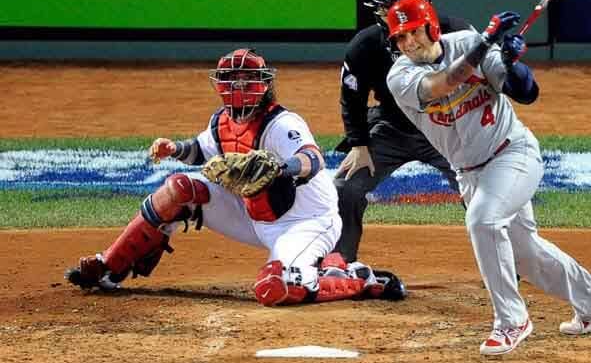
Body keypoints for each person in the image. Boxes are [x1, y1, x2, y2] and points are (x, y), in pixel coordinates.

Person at [65, 48, 406, 306]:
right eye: (232, 79)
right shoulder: (221, 122)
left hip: (306, 221)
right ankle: (109, 266)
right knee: (179, 188)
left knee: (276, 288)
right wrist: (174, 149)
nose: (239, 86)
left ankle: (355, 277)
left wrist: (280, 168)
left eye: (247, 79)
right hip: (251, 214)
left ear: (264, 85)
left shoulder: (282, 123)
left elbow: (312, 160)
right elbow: (200, 150)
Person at [384, 0, 591, 356]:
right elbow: (441, 84)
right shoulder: (400, 76)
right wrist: (485, 44)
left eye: (414, 32)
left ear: (431, 27)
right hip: (469, 173)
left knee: (483, 221)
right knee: (524, 254)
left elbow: (526, 92)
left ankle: (512, 321)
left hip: (513, 154)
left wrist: (511, 62)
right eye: (400, 37)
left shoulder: (467, 42)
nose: (408, 43)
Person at [334, 0, 471, 263]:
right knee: (345, 187)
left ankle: (507, 264)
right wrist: (359, 145)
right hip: (392, 128)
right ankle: (339, 264)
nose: (397, 17)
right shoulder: (365, 45)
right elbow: (352, 98)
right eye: (388, 11)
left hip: (445, 128)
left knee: (481, 192)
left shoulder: (456, 32)